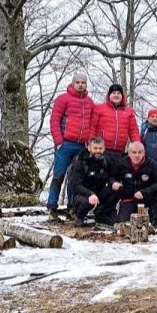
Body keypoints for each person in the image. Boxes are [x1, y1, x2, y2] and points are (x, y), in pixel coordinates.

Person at [47, 73, 95, 218]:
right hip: (65, 144)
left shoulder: (89, 102)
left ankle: (72, 207)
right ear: (73, 83)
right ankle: (52, 207)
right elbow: (54, 119)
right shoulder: (63, 99)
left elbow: (92, 123)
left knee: (75, 178)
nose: (81, 85)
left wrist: (90, 142)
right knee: (58, 176)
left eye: (83, 82)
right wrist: (58, 141)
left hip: (82, 146)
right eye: (78, 82)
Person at [110, 142, 157, 228]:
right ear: (129, 153)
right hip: (129, 199)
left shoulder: (151, 163)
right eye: (134, 152)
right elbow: (110, 177)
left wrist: (145, 192)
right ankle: (108, 215)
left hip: (147, 198)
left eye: (140, 152)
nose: (137, 155)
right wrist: (114, 182)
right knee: (123, 225)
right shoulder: (121, 163)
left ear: (144, 153)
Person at [70, 137, 120, 227]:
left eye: (100, 148)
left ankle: (102, 215)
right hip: (83, 194)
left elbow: (109, 177)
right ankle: (78, 216)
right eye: (95, 148)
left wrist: (113, 183)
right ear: (89, 148)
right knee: (84, 201)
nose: (98, 151)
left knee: (118, 190)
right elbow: (76, 185)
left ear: (104, 148)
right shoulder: (80, 162)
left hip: (99, 192)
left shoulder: (106, 160)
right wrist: (90, 194)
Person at [90, 83, 140, 160]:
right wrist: (91, 145)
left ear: (122, 96)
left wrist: (137, 146)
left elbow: (133, 131)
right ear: (109, 95)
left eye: (118, 93)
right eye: (113, 93)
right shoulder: (99, 108)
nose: (116, 95)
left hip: (120, 152)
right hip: (101, 150)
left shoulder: (128, 112)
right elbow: (92, 128)